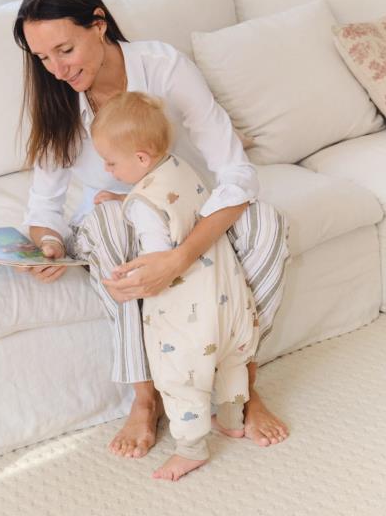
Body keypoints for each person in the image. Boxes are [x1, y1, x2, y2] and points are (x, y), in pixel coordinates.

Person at [12, 0, 290, 458]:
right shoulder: (57, 97)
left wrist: (180, 257)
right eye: (42, 58)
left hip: (190, 206)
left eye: (65, 50)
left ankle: (242, 387)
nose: (56, 68)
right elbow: (45, 206)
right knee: (104, 223)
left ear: (99, 24)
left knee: (266, 224)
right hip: (117, 220)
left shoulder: (164, 67)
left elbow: (237, 174)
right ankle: (146, 399)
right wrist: (48, 244)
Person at [90, 92, 260, 481]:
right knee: (231, 359)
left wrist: (121, 286)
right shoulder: (180, 167)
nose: (106, 168)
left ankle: (191, 449)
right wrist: (126, 196)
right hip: (228, 292)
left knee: (181, 376)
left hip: (188, 310)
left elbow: (156, 262)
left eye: (111, 162)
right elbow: (172, 202)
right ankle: (232, 420)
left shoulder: (142, 207)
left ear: (141, 159)